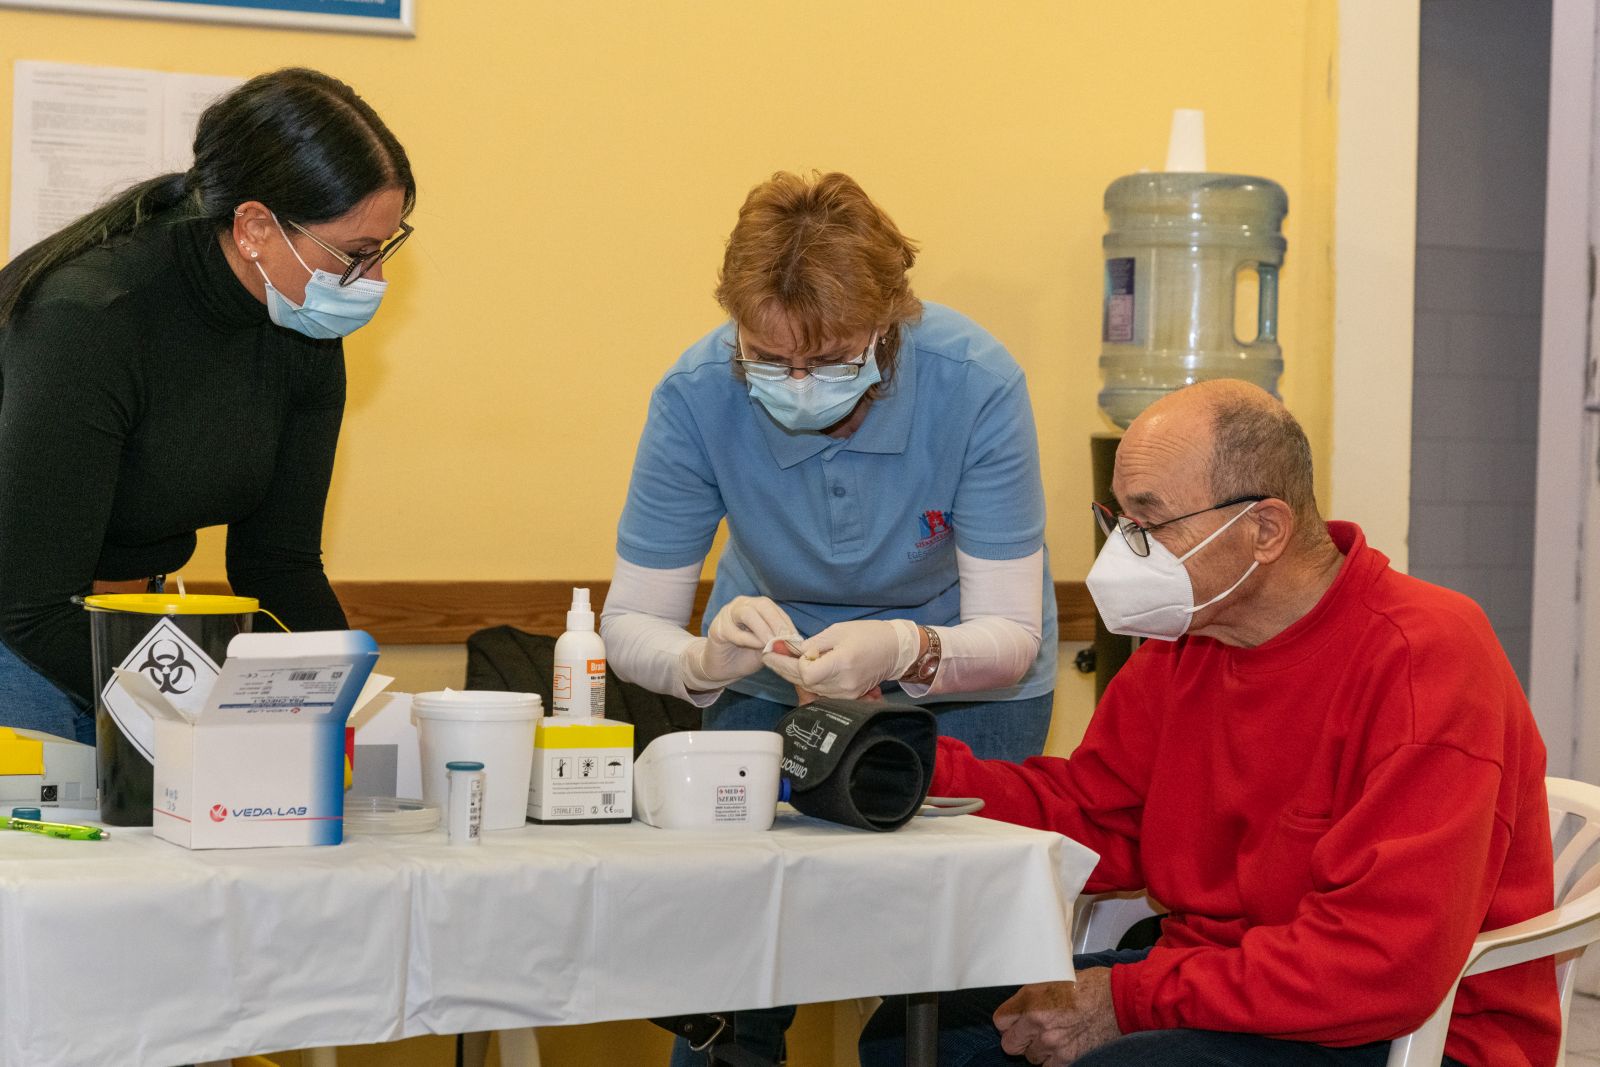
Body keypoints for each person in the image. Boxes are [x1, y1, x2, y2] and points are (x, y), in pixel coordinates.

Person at [859, 379, 1559, 1067]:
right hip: (1224, 977)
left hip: (1406, 1025)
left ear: (1264, 530)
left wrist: (1128, 998)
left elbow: (1378, 963)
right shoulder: (1187, 645)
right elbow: (1094, 814)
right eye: (1119, 520)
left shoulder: (1425, 655)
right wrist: (900, 763)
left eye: (1150, 522)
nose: (1124, 550)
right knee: (912, 1033)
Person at [601, 170, 1058, 1065]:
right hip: (771, 669)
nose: (798, 383)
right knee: (732, 951)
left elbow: (1010, 636)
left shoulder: (976, 384)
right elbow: (628, 625)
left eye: (832, 358)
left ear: (890, 326)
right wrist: (709, 663)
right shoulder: (697, 394)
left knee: (954, 952)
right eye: (769, 359)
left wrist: (904, 649)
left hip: (966, 671)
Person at [0, 68, 415, 744]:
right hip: (20, 634)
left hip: (129, 618)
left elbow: (279, 565)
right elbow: (32, 608)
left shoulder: (303, 324)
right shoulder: (92, 318)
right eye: (355, 255)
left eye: (384, 251)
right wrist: (211, 715)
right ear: (255, 226)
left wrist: (338, 702)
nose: (372, 282)